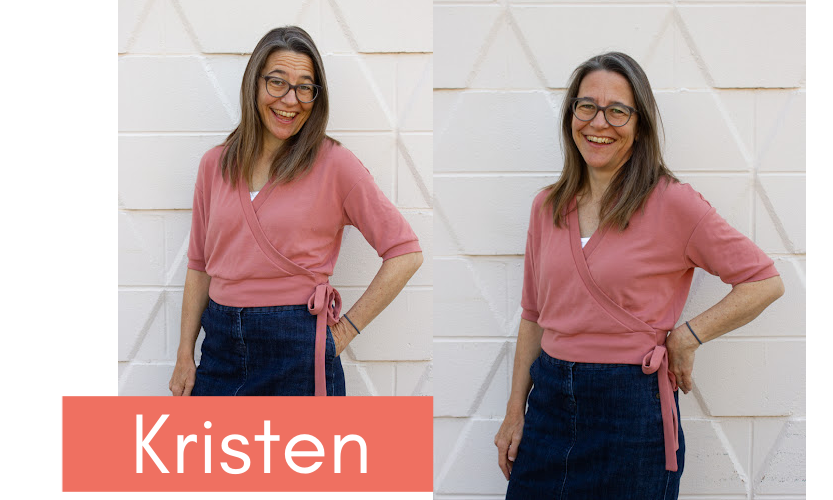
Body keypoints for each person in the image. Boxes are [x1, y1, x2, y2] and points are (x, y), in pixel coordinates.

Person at [493, 52, 784, 499]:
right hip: (549, 404)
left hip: (631, 411)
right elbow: (534, 315)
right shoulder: (547, 206)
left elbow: (763, 280)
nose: (599, 122)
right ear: (572, 114)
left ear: (640, 124)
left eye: (618, 111)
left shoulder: (672, 203)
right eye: (586, 105)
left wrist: (687, 335)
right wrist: (516, 410)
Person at [168, 26, 423, 397]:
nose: (291, 100)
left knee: (299, 457)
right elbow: (199, 266)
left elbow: (406, 253)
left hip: (298, 349)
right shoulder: (215, 165)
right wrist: (184, 355)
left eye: (305, 87)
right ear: (254, 84)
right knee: (215, 455)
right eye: (277, 82)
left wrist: (343, 333)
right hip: (219, 349)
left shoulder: (335, 164)